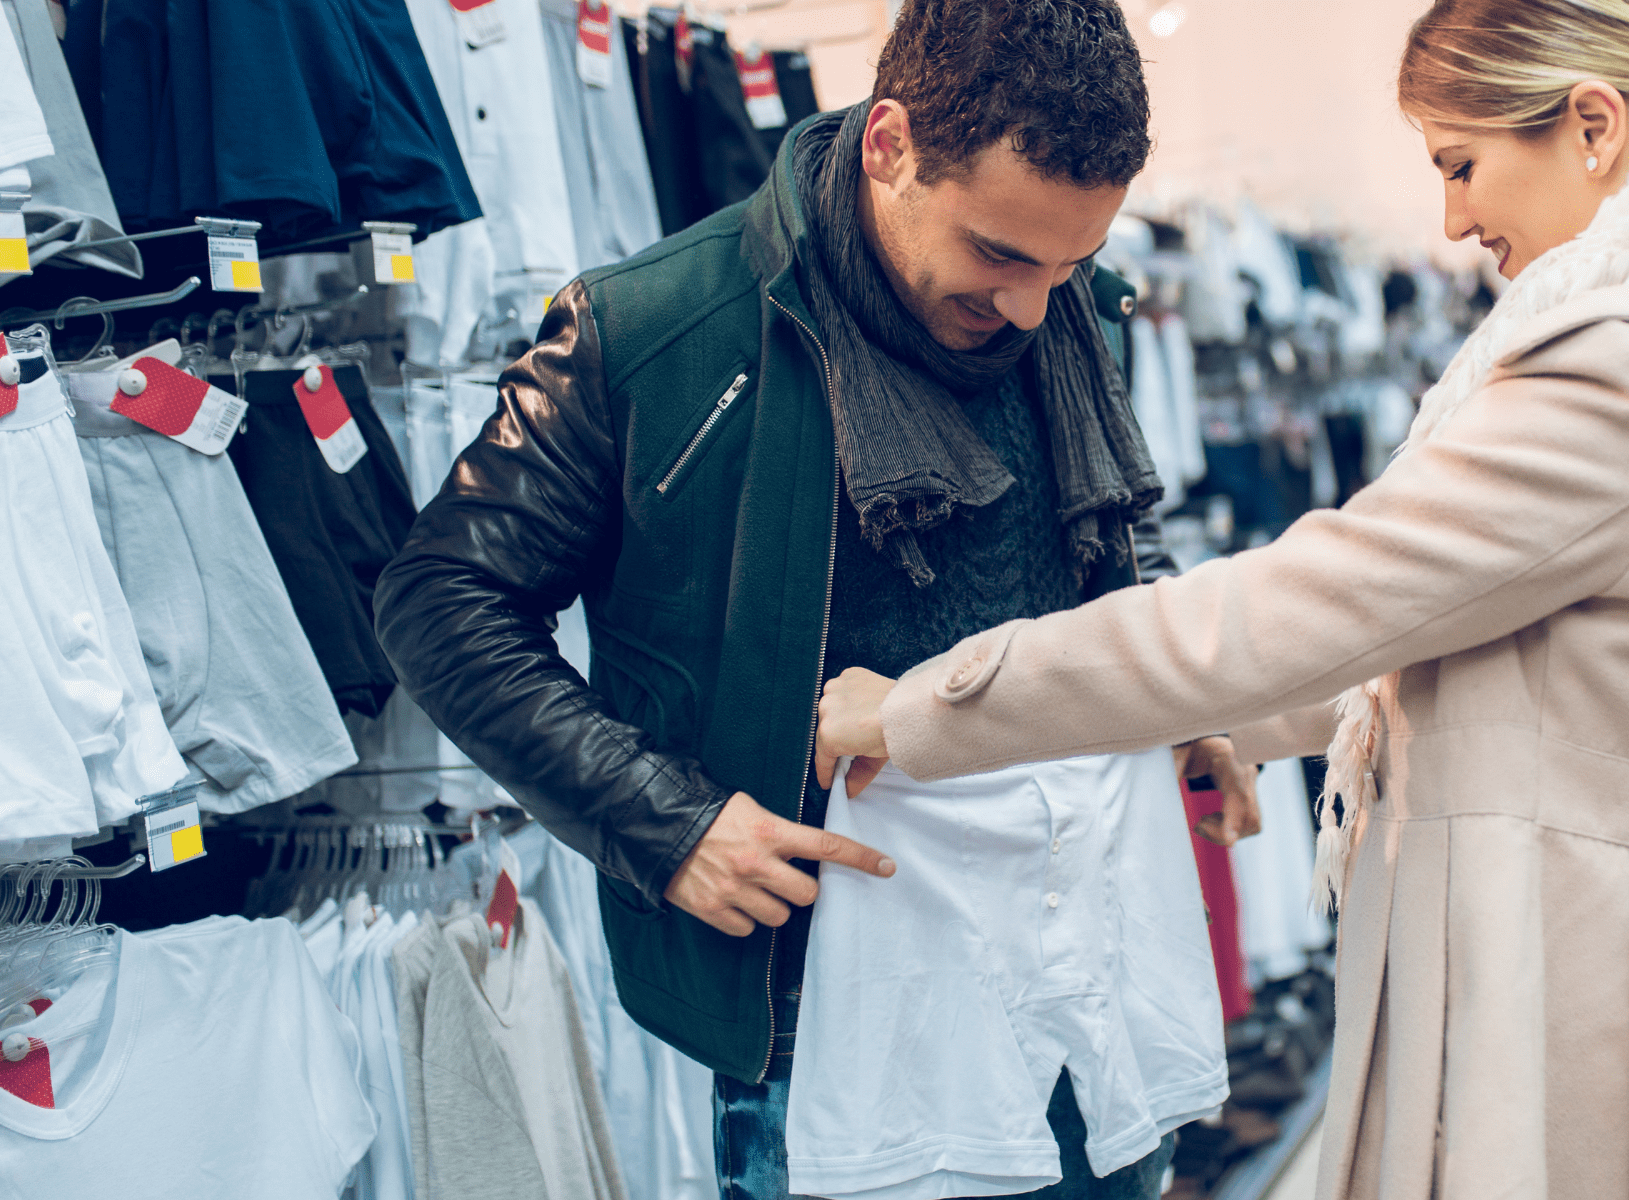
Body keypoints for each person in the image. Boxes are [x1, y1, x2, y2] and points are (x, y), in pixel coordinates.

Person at [817, 0, 1629, 1194]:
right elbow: (1498, 650)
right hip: (1604, 942)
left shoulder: (1627, 372)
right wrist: (1234, 733)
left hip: (1561, 973)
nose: (1453, 216)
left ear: (1592, 126)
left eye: (1461, 164)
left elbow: (1304, 604)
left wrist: (922, 710)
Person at [374, 3, 1258, 1197]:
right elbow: (442, 597)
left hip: (1082, 963)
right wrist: (664, 821)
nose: (1034, 305)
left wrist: (1161, 702)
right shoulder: (652, 329)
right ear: (890, 142)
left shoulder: (1066, 313)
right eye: (1001, 254)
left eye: (1071, 262)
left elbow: (1096, 533)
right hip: (827, 1008)